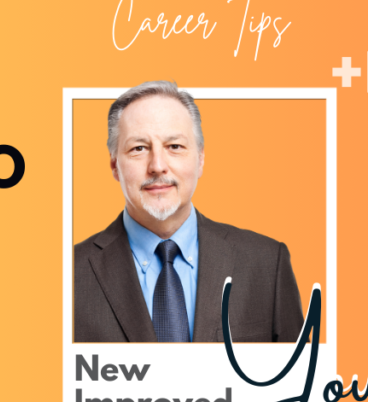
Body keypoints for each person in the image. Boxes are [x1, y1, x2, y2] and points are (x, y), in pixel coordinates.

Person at [74, 81, 303, 343]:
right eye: (139, 148)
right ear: (115, 166)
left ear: (200, 159)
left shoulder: (267, 264)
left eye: (174, 147)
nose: (157, 166)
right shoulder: (69, 276)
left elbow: (299, 381)